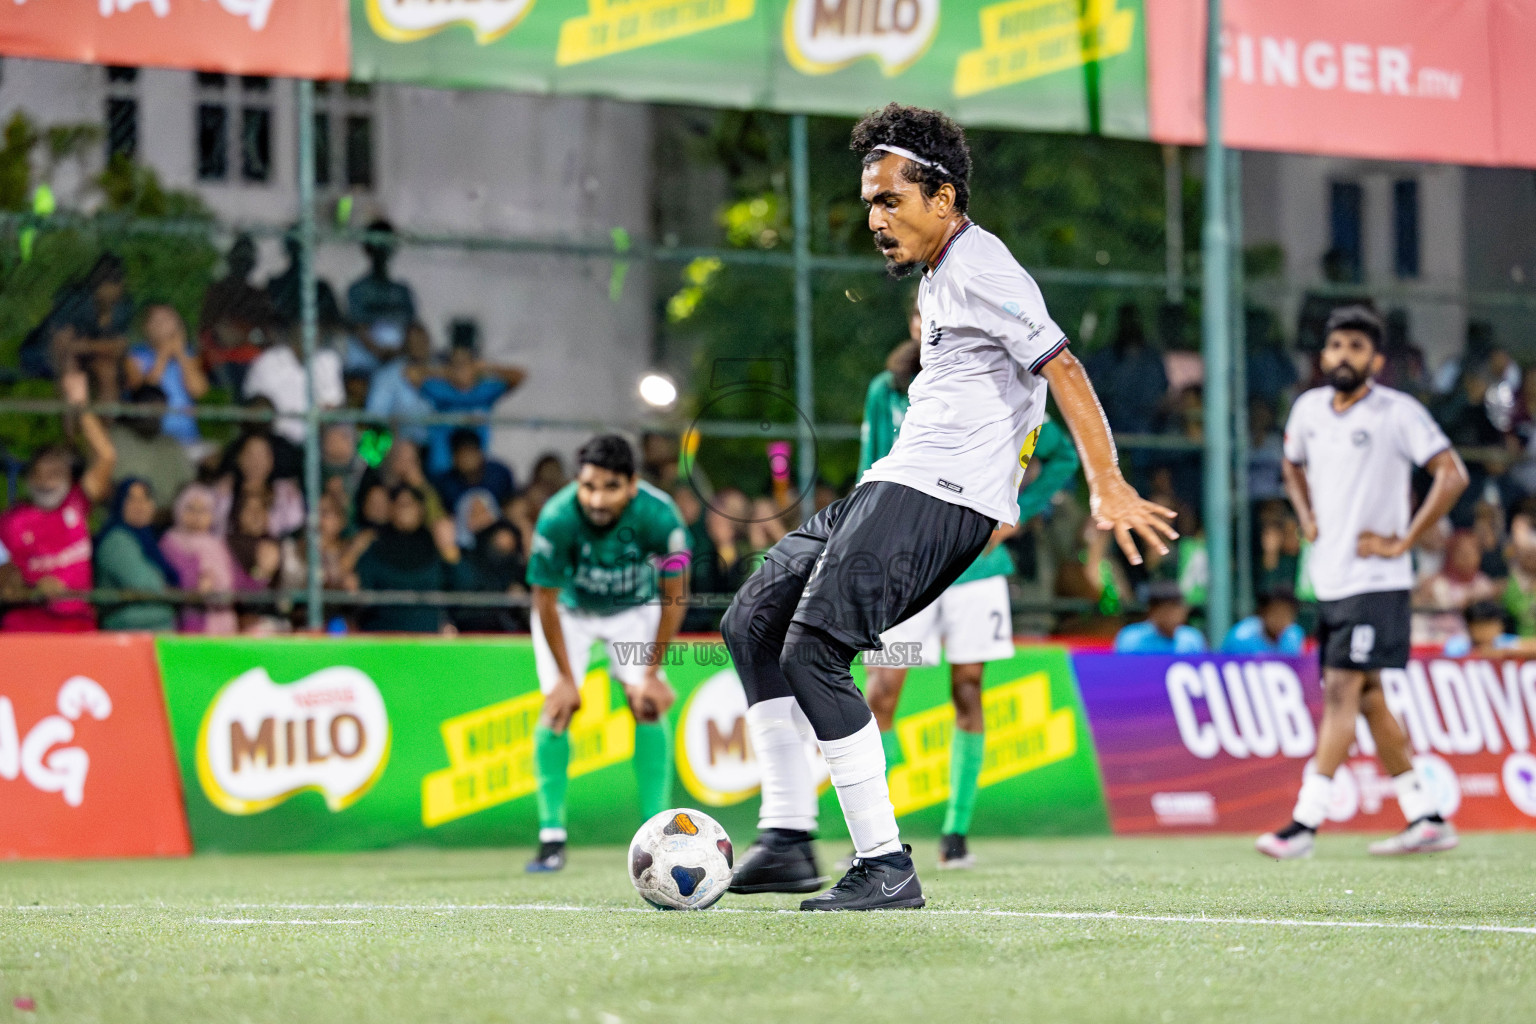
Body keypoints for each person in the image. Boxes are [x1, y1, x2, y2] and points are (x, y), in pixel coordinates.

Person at [719, 105, 1175, 911]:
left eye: (889, 199)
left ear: (943, 197)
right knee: (751, 619)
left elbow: (1062, 365)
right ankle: (789, 836)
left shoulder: (980, 266)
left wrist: (1106, 480)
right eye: (868, 203)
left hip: (941, 496)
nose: (875, 219)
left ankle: (886, 864)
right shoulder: (942, 277)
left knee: (814, 648)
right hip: (898, 481)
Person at [1257, 305, 1469, 860]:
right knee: (1370, 696)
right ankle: (1426, 815)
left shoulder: (1397, 413)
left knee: (1344, 689)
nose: (1344, 356)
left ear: (1375, 359)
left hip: (1377, 580)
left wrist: (1404, 541)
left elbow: (1453, 474)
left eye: (1356, 347)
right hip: (1328, 579)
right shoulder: (1307, 410)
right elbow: (1290, 465)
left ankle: (1303, 824)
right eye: (1336, 346)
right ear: (1323, 356)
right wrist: (1304, 515)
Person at [859, 339, 1081, 870]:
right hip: (905, 568)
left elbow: (1061, 455)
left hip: (977, 569)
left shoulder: (997, 383)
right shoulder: (887, 390)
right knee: (882, 693)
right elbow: (871, 466)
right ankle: (876, 831)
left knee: (967, 689)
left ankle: (956, 831)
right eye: (916, 314)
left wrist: (1016, 513)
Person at [523, 435, 691, 873]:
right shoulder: (557, 517)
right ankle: (551, 838)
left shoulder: (661, 516)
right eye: (588, 486)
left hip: (633, 609)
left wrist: (651, 673)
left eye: (609, 487)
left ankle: (660, 831)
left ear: (632, 484)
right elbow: (544, 598)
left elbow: (676, 594)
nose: (596, 499)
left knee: (648, 706)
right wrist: (564, 678)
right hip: (568, 612)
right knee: (557, 709)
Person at [0, 370, 116, 631]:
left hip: (79, 626)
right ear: (28, 480)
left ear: (68, 477)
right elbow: (4, 584)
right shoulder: (10, 522)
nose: (47, 482)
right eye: (40, 475)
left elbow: (106, 456)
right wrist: (32, 588)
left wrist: (80, 406)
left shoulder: (78, 501)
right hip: (27, 628)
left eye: (56, 474)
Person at [414, 342, 526, 477]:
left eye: (465, 364)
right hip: (442, 469)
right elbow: (410, 374)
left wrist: (485, 368)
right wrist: (446, 372)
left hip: (476, 471)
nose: (461, 370)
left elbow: (519, 376)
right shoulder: (440, 389)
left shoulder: (485, 391)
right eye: (456, 365)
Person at [349, 485, 450, 633]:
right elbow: (363, 592)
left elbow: (461, 586)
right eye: (399, 504)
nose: (404, 510)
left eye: (409, 504)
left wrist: (451, 551)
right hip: (382, 637)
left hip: (427, 637)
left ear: (421, 509)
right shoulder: (375, 545)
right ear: (391, 509)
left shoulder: (436, 543)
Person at [159, 483, 249, 635]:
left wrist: (262, 571)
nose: (197, 516)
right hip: (190, 621)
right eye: (190, 509)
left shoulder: (218, 545)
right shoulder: (170, 543)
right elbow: (174, 579)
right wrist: (198, 583)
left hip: (225, 622)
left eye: (203, 510)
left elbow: (240, 582)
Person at [242, 318, 345, 445]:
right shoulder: (267, 362)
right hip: (274, 440)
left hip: (316, 441)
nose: (312, 339)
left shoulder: (328, 360)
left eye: (316, 335)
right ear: (294, 337)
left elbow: (332, 406)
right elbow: (255, 408)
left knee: (339, 438)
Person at [92, 478, 177, 631]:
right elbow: (147, 585)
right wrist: (168, 589)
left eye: (146, 498)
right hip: (127, 633)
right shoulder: (116, 540)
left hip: (153, 632)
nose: (140, 506)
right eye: (131, 499)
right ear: (119, 504)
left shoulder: (149, 539)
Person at [123, 304, 209, 452]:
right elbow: (144, 393)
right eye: (158, 320)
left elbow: (199, 391)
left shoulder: (189, 355)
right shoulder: (135, 356)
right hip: (151, 437)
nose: (164, 325)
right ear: (147, 328)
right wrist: (163, 355)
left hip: (187, 437)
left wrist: (181, 354)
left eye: (169, 319)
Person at [106, 385, 195, 517]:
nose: (154, 417)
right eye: (150, 409)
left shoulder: (171, 444)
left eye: (160, 411)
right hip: (121, 517)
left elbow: (187, 487)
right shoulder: (116, 437)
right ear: (134, 408)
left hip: (165, 520)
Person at [345, 219, 417, 372]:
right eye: (376, 246)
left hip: (399, 357)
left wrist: (397, 352)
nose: (381, 251)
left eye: (385, 245)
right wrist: (379, 352)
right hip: (366, 357)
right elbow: (359, 329)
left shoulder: (402, 291)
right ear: (367, 249)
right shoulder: (357, 289)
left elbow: (412, 329)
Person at [212, 433, 305, 539]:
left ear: (272, 460)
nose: (256, 461)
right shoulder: (225, 491)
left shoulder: (286, 491)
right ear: (239, 458)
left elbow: (295, 525)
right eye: (250, 454)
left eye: (262, 454)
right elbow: (216, 528)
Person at [364, 321, 436, 446]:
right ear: (405, 344)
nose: (418, 346)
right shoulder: (387, 375)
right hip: (396, 442)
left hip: (432, 444)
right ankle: (366, 466)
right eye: (413, 341)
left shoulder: (440, 371)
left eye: (422, 341)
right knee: (371, 442)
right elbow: (375, 414)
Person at [1112, 581, 1207, 654]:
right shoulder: (1131, 638)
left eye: (1178, 609)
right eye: (1168, 611)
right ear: (1153, 611)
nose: (1175, 616)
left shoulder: (1192, 638)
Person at [434, 428, 517, 511]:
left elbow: (512, 505)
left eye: (470, 452)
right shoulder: (445, 484)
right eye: (461, 454)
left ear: (480, 453)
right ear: (454, 458)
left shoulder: (500, 475)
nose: (466, 459)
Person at [1220, 586, 1305, 655]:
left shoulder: (1294, 635)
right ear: (1263, 613)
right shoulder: (1241, 637)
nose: (1280, 619)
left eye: (1286, 615)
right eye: (1275, 613)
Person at [1442, 600, 1528, 658]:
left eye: (1491, 626)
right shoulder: (1458, 644)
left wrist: (1505, 652)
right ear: (1470, 627)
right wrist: (1480, 653)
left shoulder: (1506, 641)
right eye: (1481, 627)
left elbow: (1529, 646)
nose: (1486, 632)